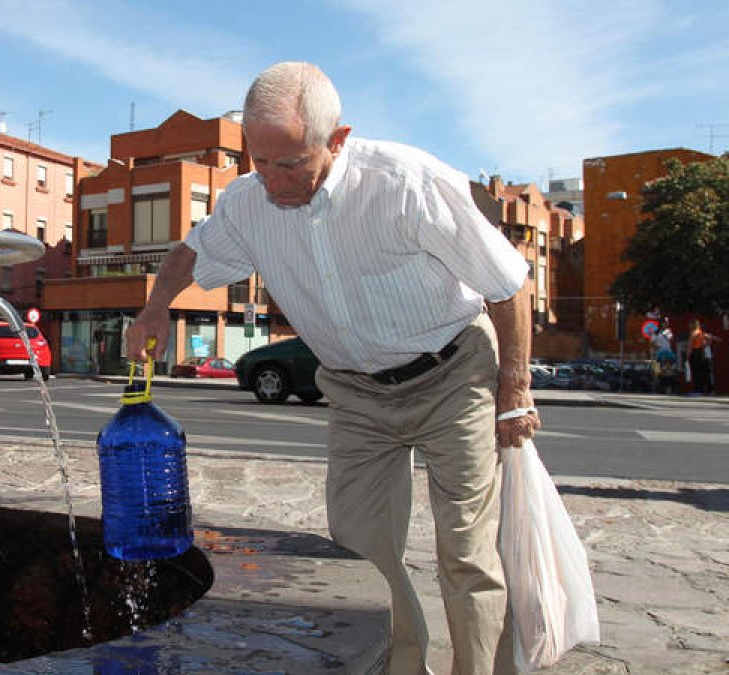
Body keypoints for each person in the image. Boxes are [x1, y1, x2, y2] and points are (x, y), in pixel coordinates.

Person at [125, 62, 539, 675]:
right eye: (258, 161)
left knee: (468, 556)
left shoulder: (406, 183)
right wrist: (155, 308)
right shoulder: (248, 201)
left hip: (452, 374)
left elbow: (508, 286)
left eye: (289, 164)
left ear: (338, 140)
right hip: (354, 392)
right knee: (359, 557)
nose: (271, 180)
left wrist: (515, 390)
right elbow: (192, 249)